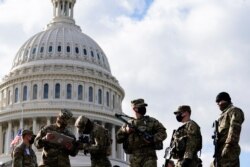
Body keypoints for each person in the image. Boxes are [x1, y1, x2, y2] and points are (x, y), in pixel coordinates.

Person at [116, 98, 167, 167]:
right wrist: (126, 131)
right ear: (134, 109)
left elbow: (163, 133)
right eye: (141, 107)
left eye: (144, 107)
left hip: (149, 156)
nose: (143, 108)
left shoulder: (151, 121)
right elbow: (118, 138)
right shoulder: (128, 124)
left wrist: (152, 139)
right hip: (134, 157)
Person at [211, 92, 244, 167]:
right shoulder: (222, 116)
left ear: (225, 100)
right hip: (220, 151)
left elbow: (234, 128)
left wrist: (228, 146)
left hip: (229, 150)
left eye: (219, 101)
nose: (218, 104)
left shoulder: (234, 111)